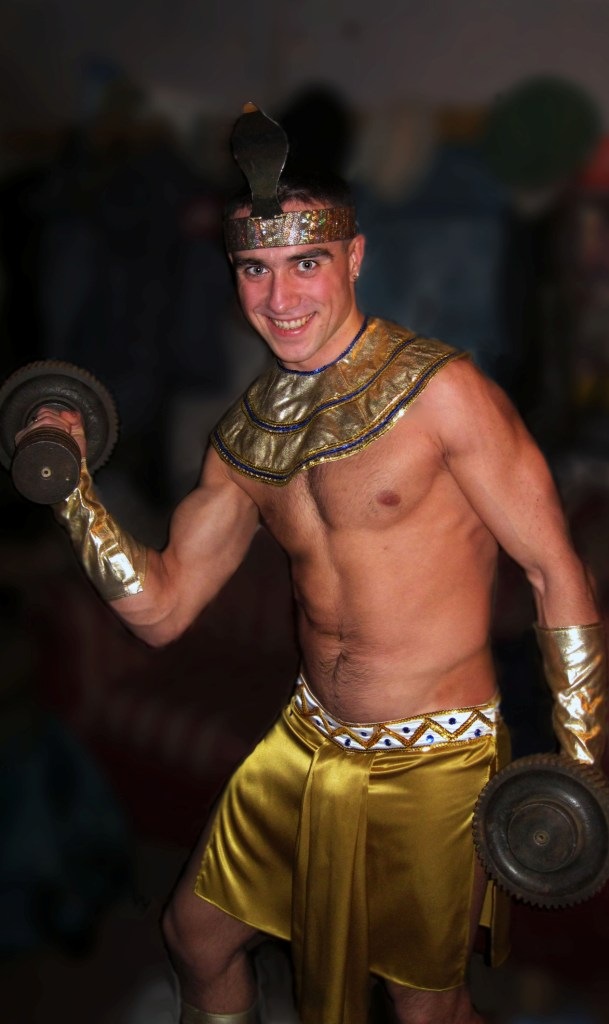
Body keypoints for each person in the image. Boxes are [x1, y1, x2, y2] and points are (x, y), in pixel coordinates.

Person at [17, 106, 606, 1024]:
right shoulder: (243, 437)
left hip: (434, 756)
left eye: (306, 263)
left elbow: (552, 569)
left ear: (354, 258)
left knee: (423, 1005)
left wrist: (584, 763)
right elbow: (161, 611)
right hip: (304, 742)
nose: (279, 297)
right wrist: (71, 487)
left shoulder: (442, 393)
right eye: (254, 268)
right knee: (195, 936)